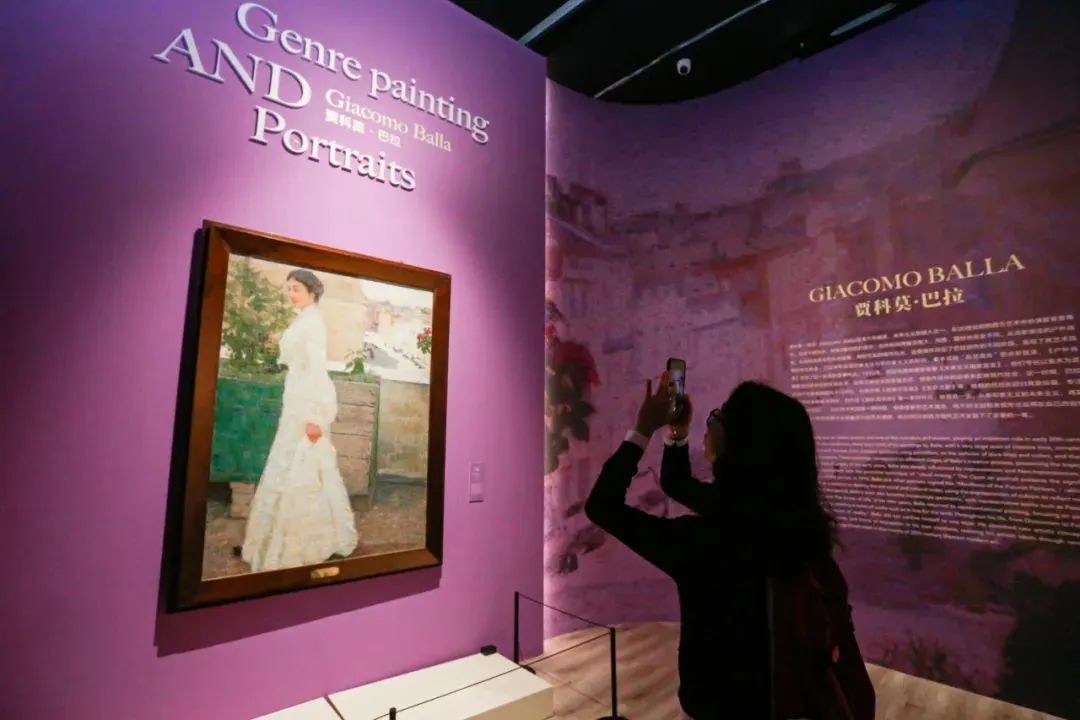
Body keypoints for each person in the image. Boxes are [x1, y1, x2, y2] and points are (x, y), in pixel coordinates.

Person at [585, 373, 858, 720]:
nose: (711, 422)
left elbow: (602, 505)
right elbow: (677, 483)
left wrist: (643, 428)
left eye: (720, 415)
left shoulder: (704, 543)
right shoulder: (798, 528)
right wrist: (676, 433)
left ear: (738, 446)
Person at [241, 269, 358, 572]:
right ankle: (270, 538)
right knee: (285, 465)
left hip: (306, 404)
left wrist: (316, 416)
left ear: (312, 291)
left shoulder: (314, 324)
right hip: (294, 400)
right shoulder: (303, 319)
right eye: (289, 289)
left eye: (296, 289)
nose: (291, 294)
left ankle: (306, 543)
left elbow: (317, 371)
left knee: (305, 470)